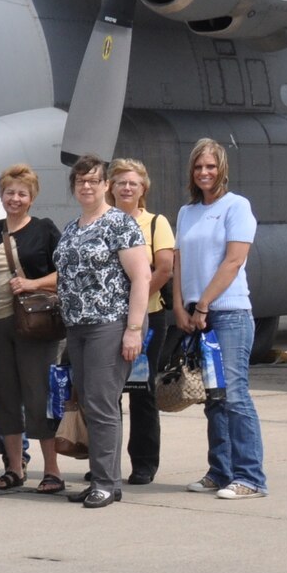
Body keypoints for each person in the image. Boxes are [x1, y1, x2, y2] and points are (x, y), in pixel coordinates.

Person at [53, 155, 150, 508]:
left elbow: (142, 277)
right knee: (91, 403)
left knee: (101, 403)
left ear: (106, 185)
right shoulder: (71, 227)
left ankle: (107, 483)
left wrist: (133, 330)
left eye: (94, 180)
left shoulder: (120, 224)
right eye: (80, 181)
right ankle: (104, 478)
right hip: (77, 326)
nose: (87, 186)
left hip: (110, 323)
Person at [175, 138, 267, 500]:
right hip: (200, 315)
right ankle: (220, 470)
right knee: (213, 398)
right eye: (198, 167)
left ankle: (251, 476)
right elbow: (180, 261)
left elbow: (233, 261)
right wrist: (182, 307)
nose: (204, 173)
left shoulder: (236, 207)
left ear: (222, 168)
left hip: (228, 313)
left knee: (234, 395)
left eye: (210, 166)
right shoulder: (187, 212)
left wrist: (204, 305)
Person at [0, 165, 65, 494]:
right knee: (4, 396)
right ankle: (15, 468)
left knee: (38, 396)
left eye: (22, 193)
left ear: (32, 198)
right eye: (9, 192)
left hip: (35, 324)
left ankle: (53, 470)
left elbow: (66, 272)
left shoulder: (44, 230)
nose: (14, 198)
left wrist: (32, 283)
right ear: (0, 195)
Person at [111, 158, 176, 485]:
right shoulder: (103, 221)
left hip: (148, 317)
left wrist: (134, 300)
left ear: (143, 188)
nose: (126, 188)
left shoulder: (155, 223)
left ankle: (144, 462)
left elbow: (164, 269)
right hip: (108, 319)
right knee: (107, 393)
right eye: (120, 182)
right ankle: (106, 461)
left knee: (141, 390)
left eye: (132, 183)